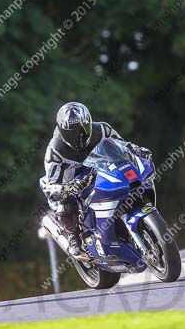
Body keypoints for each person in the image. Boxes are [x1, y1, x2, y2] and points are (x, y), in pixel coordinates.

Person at [41, 102, 151, 257]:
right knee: (64, 203)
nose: (77, 136)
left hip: (99, 167)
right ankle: (73, 237)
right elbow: (51, 183)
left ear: (89, 124)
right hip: (71, 179)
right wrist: (63, 188)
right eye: (71, 133)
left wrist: (136, 149)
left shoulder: (102, 129)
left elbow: (122, 146)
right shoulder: (55, 149)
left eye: (81, 130)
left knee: (127, 170)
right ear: (61, 130)